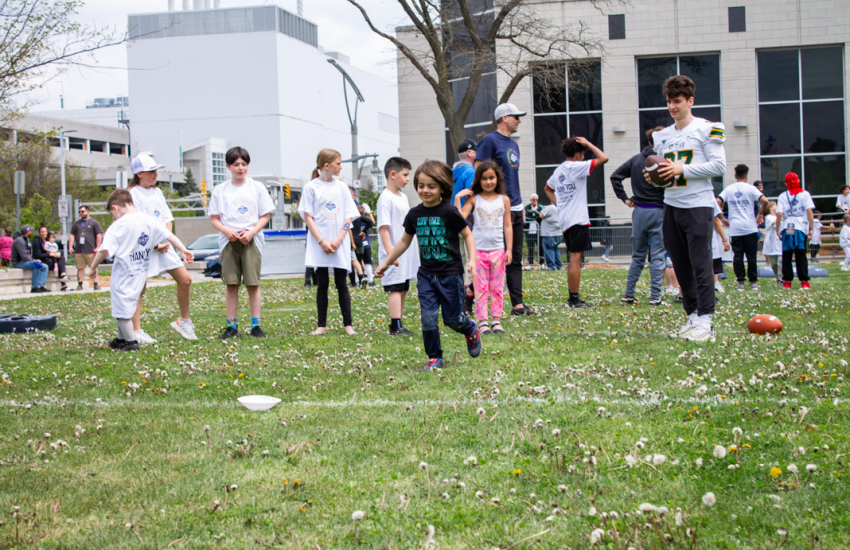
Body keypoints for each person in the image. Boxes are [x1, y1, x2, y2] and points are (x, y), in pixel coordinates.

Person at [375, 160, 482, 371]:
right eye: (421, 185)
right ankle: (435, 357)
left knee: (453, 320)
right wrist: (386, 263)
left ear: (442, 187)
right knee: (428, 319)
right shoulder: (414, 214)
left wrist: (472, 260)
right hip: (426, 276)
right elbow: (404, 241)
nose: (425, 190)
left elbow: (468, 235)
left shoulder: (450, 212)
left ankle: (470, 329)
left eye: (431, 186)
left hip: (450, 275)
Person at [646, 75, 727, 343]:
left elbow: (718, 167)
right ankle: (692, 317)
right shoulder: (661, 136)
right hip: (671, 205)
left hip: (698, 205)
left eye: (677, 101)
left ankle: (706, 320)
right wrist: (655, 178)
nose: (673, 106)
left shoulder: (708, 128)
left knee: (701, 265)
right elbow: (665, 173)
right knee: (680, 266)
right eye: (669, 101)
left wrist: (683, 169)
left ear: (690, 101)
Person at [90, 189, 193, 352]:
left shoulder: (119, 225)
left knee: (121, 310)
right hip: (140, 273)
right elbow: (167, 234)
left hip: (123, 274)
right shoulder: (147, 219)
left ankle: (131, 342)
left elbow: (104, 250)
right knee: (126, 306)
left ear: (116, 208)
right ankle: (120, 338)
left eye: (112, 213)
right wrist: (182, 249)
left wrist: (92, 267)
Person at [208, 146, 276, 338]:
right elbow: (214, 219)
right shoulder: (220, 190)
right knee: (231, 284)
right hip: (229, 241)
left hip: (251, 240)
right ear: (228, 166)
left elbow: (265, 216)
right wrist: (226, 231)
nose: (240, 168)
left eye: (244, 164)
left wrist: (252, 232)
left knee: (253, 284)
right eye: (236, 164)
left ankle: (256, 325)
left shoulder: (257, 187)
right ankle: (232, 326)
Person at [128, 153, 197, 341]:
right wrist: (154, 243)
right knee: (139, 289)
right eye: (151, 171)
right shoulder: (133, 194)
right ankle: (136, 331)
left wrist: (166, 241)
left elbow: (167, 219)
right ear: (139, 174)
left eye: (155, 170)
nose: (155, 174)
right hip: (144, 248)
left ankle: (183, 322)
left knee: (185, 280)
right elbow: (136, 223)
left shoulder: (157, 192)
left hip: (165, 246)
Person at [475, 103, 535, 316]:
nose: (519, 120)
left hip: (515, 207)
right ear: (504, 118)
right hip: (496, 209)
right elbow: (479, 170)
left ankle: (517, 305)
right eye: (516, 117)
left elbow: (513, 177)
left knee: (514, 257)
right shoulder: (489, 141)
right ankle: (474, 299)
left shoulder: (513, 144)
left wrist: (520, 205)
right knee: (491, 257)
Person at [298, 149, 360, 336]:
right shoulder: (311, 187)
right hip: (320, 243)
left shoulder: (341, 187)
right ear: (327, 165)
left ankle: (348, 325)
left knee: (342, 283)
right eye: (338, 163)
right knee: (322, 283)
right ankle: (321, 325)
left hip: (339, 242)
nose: (341, 167)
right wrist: (321, 241)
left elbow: (349, 215)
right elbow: (308, 216)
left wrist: (339, 239)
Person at [545, 136, 609, 308]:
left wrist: (560, 204)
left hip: (566, 219)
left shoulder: (559, 170)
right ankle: (573, 299)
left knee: (573, 256)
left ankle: (573, 297)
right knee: (575, 258)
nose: (583, 157)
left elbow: (547, 188)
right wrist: (589, 143)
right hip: (577, 219)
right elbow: (604, 158)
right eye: (583, 153)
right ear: (578, 153)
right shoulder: (576, 166)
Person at [611, 126, 667, 305]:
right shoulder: (667, 160)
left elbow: (615, 177)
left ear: (649, 140)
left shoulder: (636, 160)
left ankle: (628, 295)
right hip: (659, 211)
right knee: (658, 256)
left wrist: (625, 199)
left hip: (640, 212)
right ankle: (655, 297)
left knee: (638, 256)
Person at [455, 161, 512, 336]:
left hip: (498, 251)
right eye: (484, 178)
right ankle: (483, 322)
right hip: (478, 251)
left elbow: (508, 226)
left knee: (497, 287)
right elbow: (459, 218)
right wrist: (458, 199)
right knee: (480, 288)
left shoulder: (504, 200)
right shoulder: (474, 199)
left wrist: (509, 249)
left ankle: (496, 320)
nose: (488, 182)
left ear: (497, 178)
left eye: (491, 178)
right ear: (478, 180)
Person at [377, 157, 420, 336]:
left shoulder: (402, 197)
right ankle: (395, 325)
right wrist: (390, 254)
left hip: (405, 253)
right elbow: (384, 229)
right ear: (393, 174)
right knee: (395, 287)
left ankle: (399, 321)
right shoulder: (385, 198)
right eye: (405, 175)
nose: (408, 179)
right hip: (394, 254)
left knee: (403, 287)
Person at [717, 163, 768, 291]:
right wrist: (760, 214)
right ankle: (753, 281)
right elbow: (765, 200)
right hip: (750, 226)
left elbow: (717, 201)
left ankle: (740, 282)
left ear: (735, 175)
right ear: (746, 176)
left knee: (738, 256)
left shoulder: (729, 189)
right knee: (751, 256)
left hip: (735, 228)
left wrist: (722, 218)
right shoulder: (751, 189)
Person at [775, 172, 815, 290]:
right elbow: (809, 212)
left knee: (787, 254)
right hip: (800, 226)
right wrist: (812, 228)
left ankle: (787, 281)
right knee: (800, 254)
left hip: (788, 226)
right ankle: (804, 282)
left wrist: (778, 229)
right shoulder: (805, 194)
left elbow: (780, 214)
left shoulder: (783, 195)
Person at [452, 139, 478, 306]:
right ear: (469, 152)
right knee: (471, 257)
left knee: (458, 258)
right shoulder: (471, 171)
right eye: (475, 150)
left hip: (452, 218)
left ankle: (459, 290)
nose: (477, 153)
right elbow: (472, 195)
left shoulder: (451, 172)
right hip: (466, 220)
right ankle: (470, 292)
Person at [69, 205, 103, 291]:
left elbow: (99, 235)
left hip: (90, 250)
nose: (81, 213)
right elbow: (72, 235)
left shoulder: (94, 223)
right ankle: (80, 284)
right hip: (79, 250)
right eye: (79, 212)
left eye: (82, 211)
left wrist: (98, 247)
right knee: (80, 268)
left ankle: (95, 284)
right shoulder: (76, 224)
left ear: (87, 212)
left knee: (93, 267)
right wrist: (70, 246)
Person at [11, 225, 49, 293]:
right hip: (18, 262)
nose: (31, 232)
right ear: (27, 232)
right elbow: (24, 256)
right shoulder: (20, 240)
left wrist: (33, 259)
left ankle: (41, 286)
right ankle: (34, 288)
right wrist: (33, 261)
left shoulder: (25, 239)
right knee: (36, 265)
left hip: (25, 261)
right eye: (30, 230)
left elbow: (28, 254)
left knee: (45, 267)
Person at [32, 226, 68, 290]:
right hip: (42, 261)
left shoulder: (47, 241)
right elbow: (38, 255)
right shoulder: (37, 241)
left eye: (45, 232)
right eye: (42, 232)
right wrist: (49, 254)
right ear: (39, 233)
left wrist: (56, 253)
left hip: (49, 259)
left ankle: (63, 276)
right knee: (58, 263)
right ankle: (64, 285)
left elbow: (52, 250)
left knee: (61, 258)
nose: (43, 233)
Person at [711, 199, 731, 295]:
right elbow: (715, 220)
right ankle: (714, 283)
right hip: (708, 236)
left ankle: (715, 283)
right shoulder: (708, 196)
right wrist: (724, 240)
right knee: (712, 261)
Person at [760, 200, 783, 284]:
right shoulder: (769, 217)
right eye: (775, 205)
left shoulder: (780, 217)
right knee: (773, 263)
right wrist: (781, 217)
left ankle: (781, 278)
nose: (776, 207)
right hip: (771, 243)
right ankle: (778, 277)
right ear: (770, 207)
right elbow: (774, 222)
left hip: (780, 242)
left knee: (780, 261)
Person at [355, 204, 375, 286]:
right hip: (366, 243)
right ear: (364, 213)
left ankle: (357, 281)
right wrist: (370, 213)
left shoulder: (355, 220)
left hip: (357, 244)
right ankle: (371, 281)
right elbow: (372, 222)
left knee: (357, 262)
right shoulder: (366, 220)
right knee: (368, 262)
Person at [539, 203, 562, 271]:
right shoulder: (560, 207)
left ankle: (552, 266)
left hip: (549, 233)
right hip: (559, 233)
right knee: (555, 249)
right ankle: (559, 266)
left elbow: (541, 215)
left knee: (549, 249)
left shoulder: (550, 207)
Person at [524, 194, 543, 268]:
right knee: (530, 247)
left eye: (537, 200)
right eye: (534, 200)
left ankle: (542, 263)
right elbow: (526, 217)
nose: (535, 201)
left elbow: (541, 216)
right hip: (529, 231)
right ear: (530, 200)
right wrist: (535, 217)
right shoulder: (527, 207)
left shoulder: (540, 207)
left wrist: (534, 211)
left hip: (538, 230)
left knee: (541, 247)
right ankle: (531, 263)